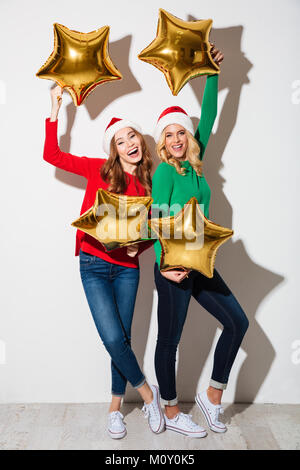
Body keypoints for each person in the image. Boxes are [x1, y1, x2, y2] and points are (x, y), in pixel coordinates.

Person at [43, 85, 165, 439]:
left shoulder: (148, 186)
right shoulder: (98, 171)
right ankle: (147, 393)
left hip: (127, 271)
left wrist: (136, 249)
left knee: (122, 338)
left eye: (133, 136)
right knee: (112, 337)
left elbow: (153, 231)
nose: (130, 143)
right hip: (94, 265)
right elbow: (53, 155)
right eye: (121, 140)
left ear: (140, 141)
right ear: (113, 150)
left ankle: (115, 408)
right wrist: (55, 110)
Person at [151, 44, 249, 437]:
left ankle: (211, 397)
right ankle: (172, 411)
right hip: (172, 265)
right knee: (169, 342)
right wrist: (163, 265)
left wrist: (212, 72)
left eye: (181, 132)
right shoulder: (164, 172)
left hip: (201, 260)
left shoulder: (196, 162)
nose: (176, 138)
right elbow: (155, 220)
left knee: (237, 323)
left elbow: (210, 116)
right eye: (168, 134)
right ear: (162, 143)